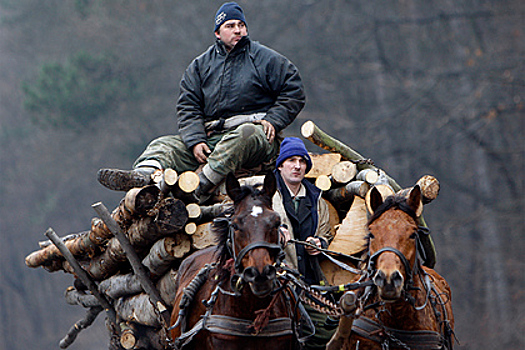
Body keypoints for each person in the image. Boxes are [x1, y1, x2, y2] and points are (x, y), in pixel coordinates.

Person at [97, 2, 305, 203]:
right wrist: (195, 140)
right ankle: (142, 178)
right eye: (230, 26)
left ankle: (199, 189)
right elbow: (188, 106)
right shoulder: (200, 65)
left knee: (245, 134)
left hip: (256, 139)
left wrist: (274, 119)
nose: (238, 30)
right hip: (213, 137)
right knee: (163, 145)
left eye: (241, 25)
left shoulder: (265, 58)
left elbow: (294, 90)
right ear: (217, 33)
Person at [272, 137, 336, 350]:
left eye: (302, 161)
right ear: (280, 165)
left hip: (310, 285)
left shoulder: (317, 199)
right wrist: (275, 234)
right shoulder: (267, 195)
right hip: (275, 286)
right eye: (291, 160)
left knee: (330, 333)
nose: (297, 166)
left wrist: (319, 242)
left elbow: (326, 231)